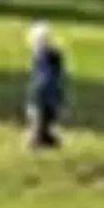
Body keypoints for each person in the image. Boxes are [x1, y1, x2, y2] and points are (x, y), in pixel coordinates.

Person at [22, 22, 67, 151]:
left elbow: (42, 81)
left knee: (40, 118)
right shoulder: (53, 58)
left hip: (43, 95)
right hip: (49, 95)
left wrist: (35, 96)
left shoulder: (43, 59)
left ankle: (38, 139)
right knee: (44, 118)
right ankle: (44, 137)